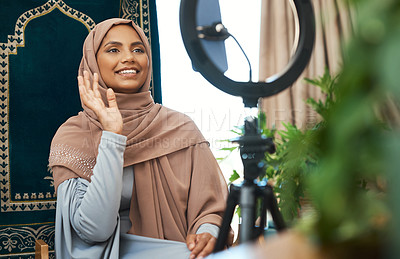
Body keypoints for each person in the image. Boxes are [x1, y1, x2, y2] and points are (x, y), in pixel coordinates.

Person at [48, 18, 232, 258]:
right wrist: (112, 135)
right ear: (93, 62)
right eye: (113, 50)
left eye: (138, 49)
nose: (129, 57)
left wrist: (208, 232)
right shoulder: (74, 135)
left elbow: (213, 208)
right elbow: (94, 230)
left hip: (177, 250)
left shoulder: (179, 129)